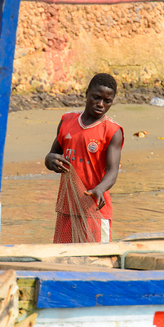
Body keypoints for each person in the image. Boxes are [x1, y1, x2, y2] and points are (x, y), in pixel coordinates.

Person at [45, 73, 124, 243]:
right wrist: (49, 160)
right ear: (86, 93)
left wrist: (100, 189)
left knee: (97, 260)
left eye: (107, 101)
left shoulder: (112, 131)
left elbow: (113, 170)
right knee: (63, 257)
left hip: (94, 206)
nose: (100, 104)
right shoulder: (67, 121)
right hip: (67, 206)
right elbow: (53, 154)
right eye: (96, 97)